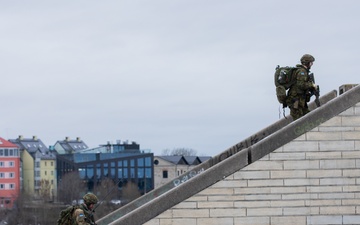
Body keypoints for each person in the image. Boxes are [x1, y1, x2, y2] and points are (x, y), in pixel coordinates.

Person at [285, 54, 318, 120]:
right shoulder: (302, 72)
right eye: (311, 63)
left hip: (300, 100)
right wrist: (311, 85)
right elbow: (301, 85)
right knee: (298, 120)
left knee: (308, 117)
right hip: (296, 100)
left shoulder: (302, 71)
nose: (311, 65)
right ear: (307, 63)